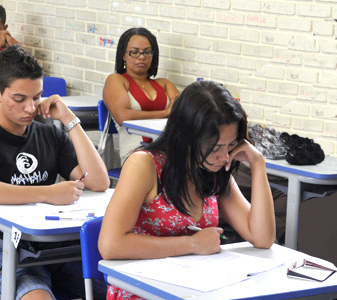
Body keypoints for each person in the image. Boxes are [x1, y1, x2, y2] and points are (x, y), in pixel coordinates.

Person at [0, 45, 110, 300]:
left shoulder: (49, 134)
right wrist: (46, 193)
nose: (30, 108)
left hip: (58, 251)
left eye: (36, 97)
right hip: (1, 251)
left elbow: (99, 182)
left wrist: (69, 120)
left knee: (124, 293)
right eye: (19, 99)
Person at [98, 80, 276, 300]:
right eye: (216, 147)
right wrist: (192, 244)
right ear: (187, 139)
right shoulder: (145, 165)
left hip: (196, 290)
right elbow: (110, 245)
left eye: (231, 145)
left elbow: (262, 238)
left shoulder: (213, 171)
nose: (225, 156)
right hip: (142, 291)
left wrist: (258, 164)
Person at [102, 27, 179, 162]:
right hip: (136, 154)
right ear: (123, 55)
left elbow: (181, 112)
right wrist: (165, 113)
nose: (141, 57)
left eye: (147, 52)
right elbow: (123, 116)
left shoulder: (164, 84)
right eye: (134, 52)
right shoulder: (116, 80)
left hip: (168, 150)